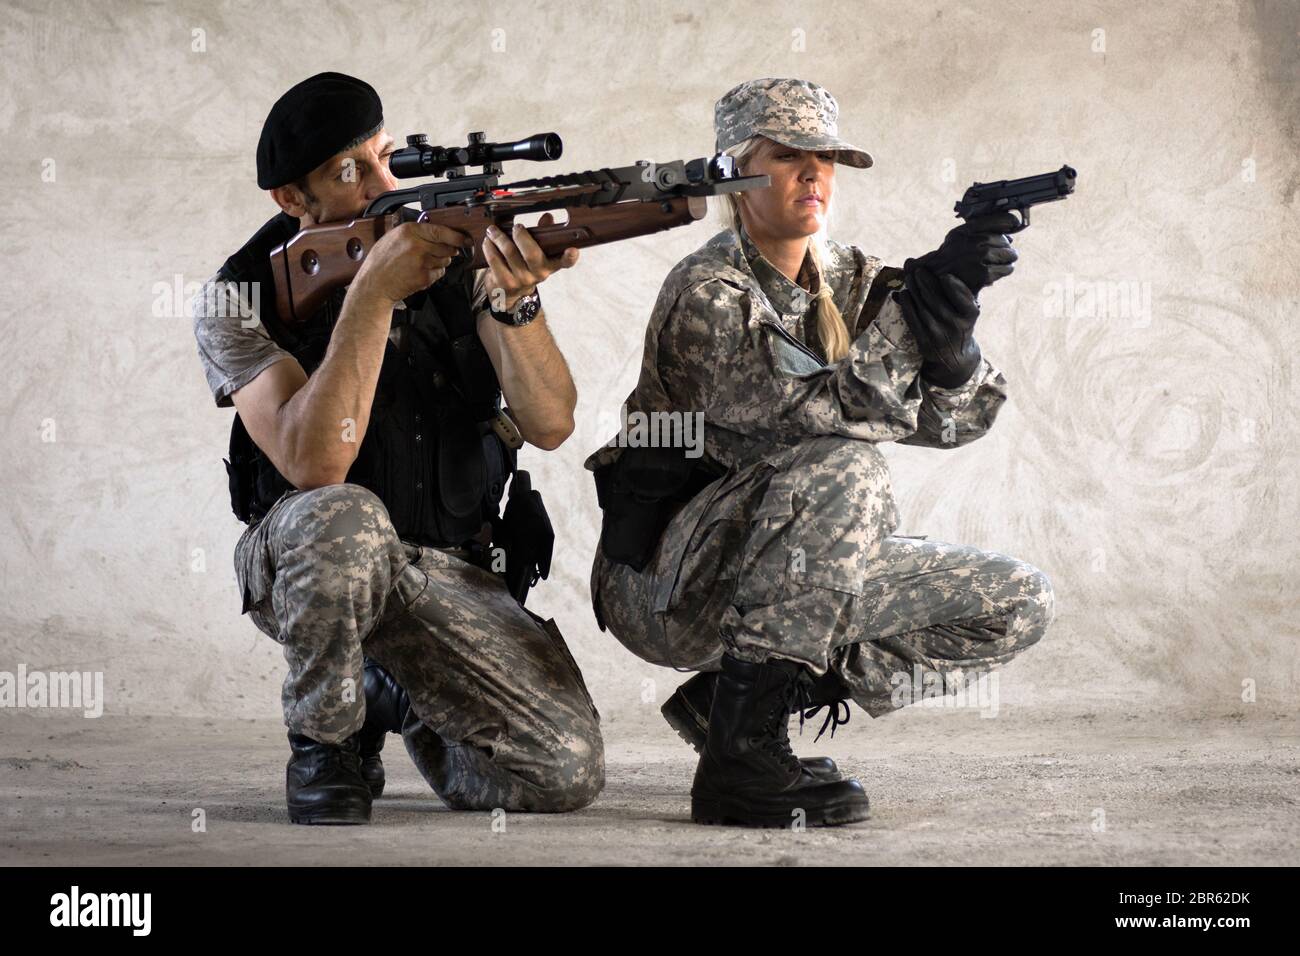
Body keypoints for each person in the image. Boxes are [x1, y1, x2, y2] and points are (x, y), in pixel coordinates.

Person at [585, 77, 1055, 828]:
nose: (815, 174)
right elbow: (817, 421)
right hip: (671, 583)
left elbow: (958, 426)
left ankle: (734, 708)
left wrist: (954, 348)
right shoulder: (706, 292)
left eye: (826, 157)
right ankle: (742, 768)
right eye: (787, 155)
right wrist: (909, 327)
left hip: (792, 576)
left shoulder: (852, 278)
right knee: (845, 465)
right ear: (736, 172)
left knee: (1018, 602)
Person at [190, 72, 602, 824]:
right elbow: (315, 464)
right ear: (293, 200)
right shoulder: (240, 296)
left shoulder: (454, 256)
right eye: (351, 172)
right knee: (340, 515)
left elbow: (550, 424)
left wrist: (515, 299)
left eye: (386, 158)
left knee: (564, 773)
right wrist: (372, 296)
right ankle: (328, 743)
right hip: (315, 561)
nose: (384, 184)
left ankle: (396, 690)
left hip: (449, 572)